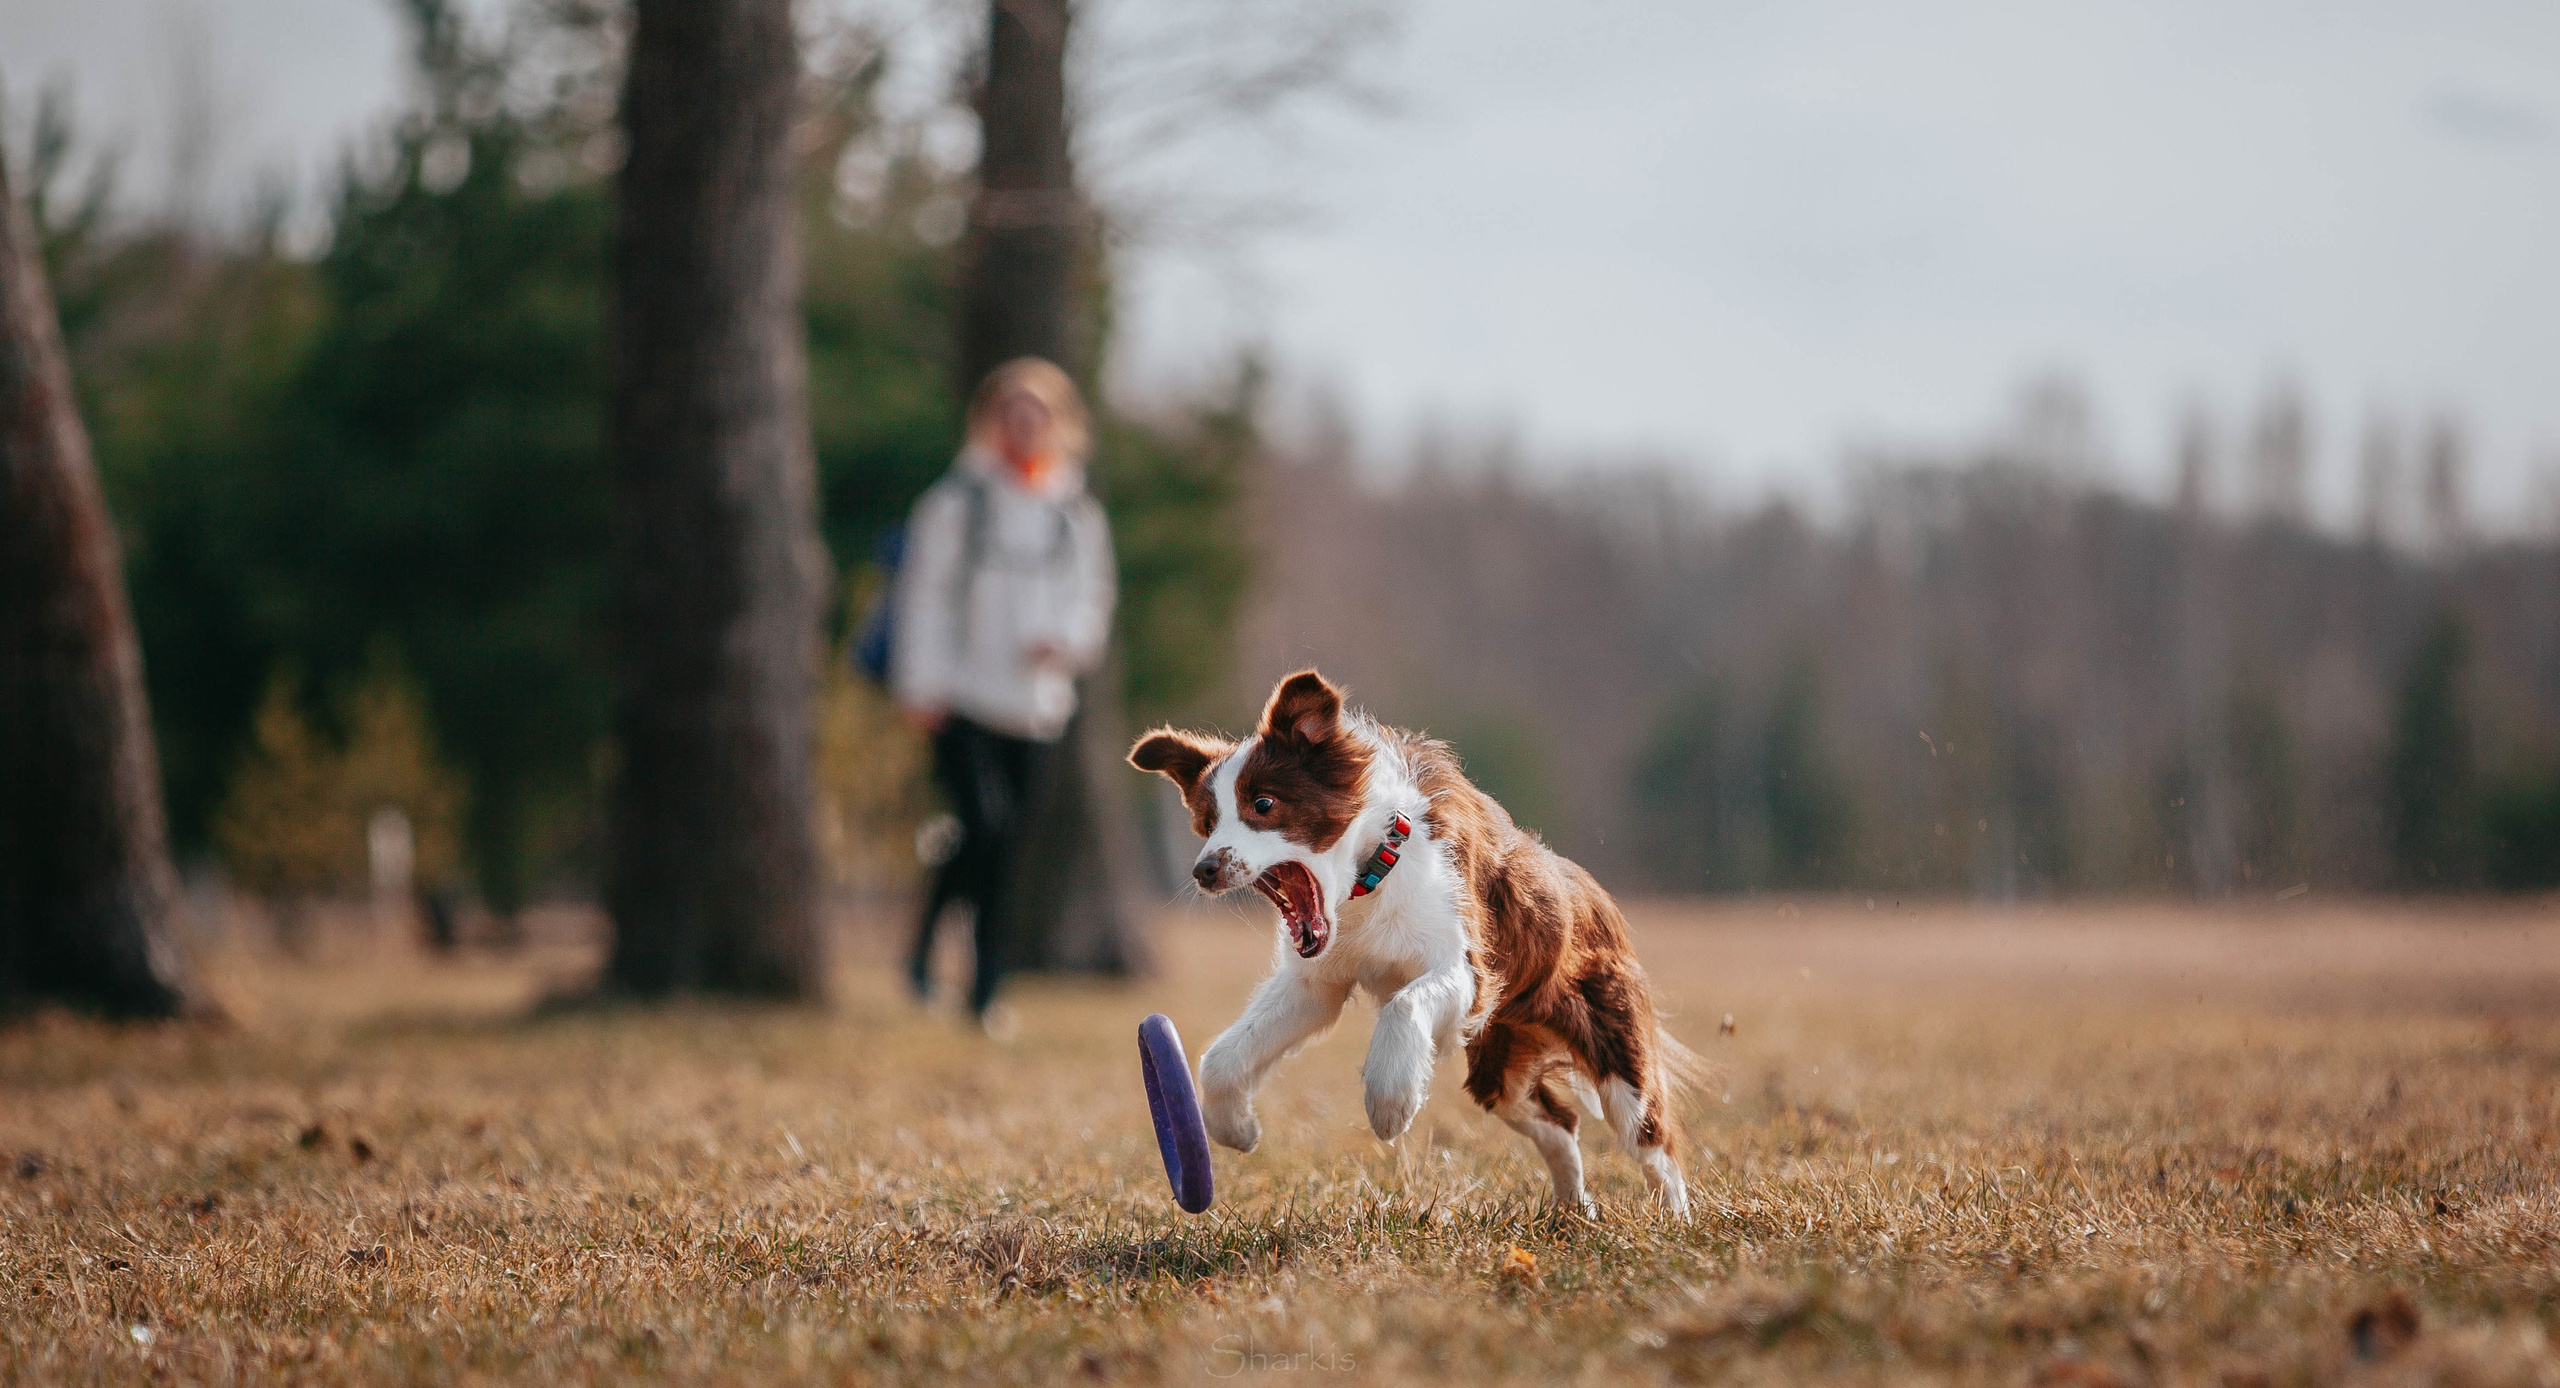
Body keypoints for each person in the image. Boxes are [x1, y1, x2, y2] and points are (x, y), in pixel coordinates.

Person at [893, 358, 1116, 1029]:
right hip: (962, 699)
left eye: (1036, 415)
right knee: (983, 828)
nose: (1023, 427)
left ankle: (983, 989)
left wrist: (1064, 642)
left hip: (1035, 708)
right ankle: (928, 947)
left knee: (1006, 846)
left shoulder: (1075, 514)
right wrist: (922, 684)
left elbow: (1092, 600)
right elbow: (924, 596)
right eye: (1010, 414)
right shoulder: (956, 503)